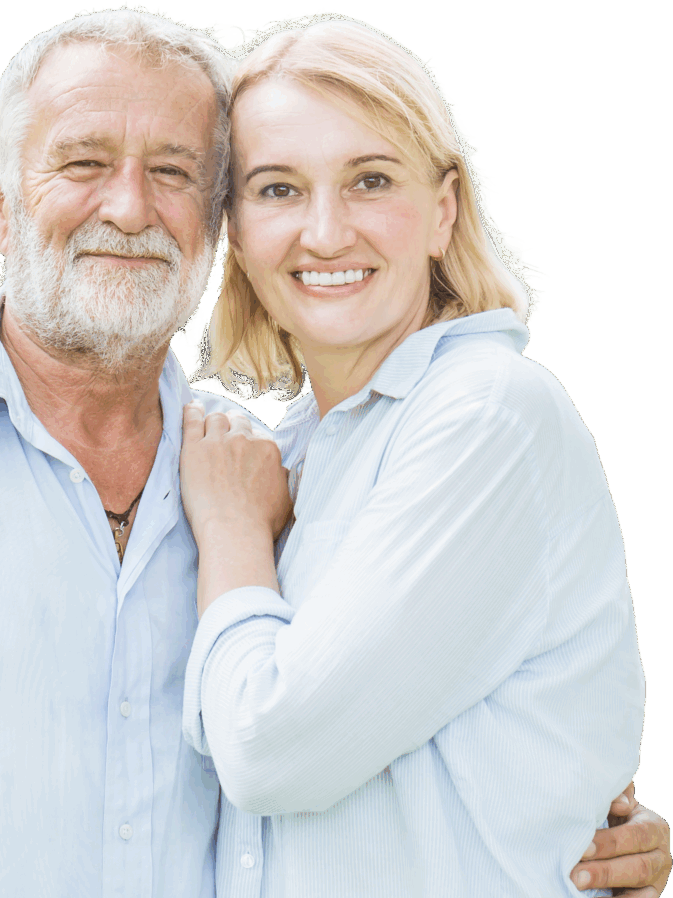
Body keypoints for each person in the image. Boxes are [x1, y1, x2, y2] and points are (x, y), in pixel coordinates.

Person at [0, 8, 667, 898]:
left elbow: (350, 726)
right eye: (83, 162)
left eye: (174, 173)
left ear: (208, 225)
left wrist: (568, 812)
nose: (129, 208)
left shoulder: (252, 478)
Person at [178, 12, 669, 898]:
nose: (326, 233)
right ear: (235, 235)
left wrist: (232, 535)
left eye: (370, 180)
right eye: (278, 189)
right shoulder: (287, 452)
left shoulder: (487, 417)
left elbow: (268, 751)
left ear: (443, 210)